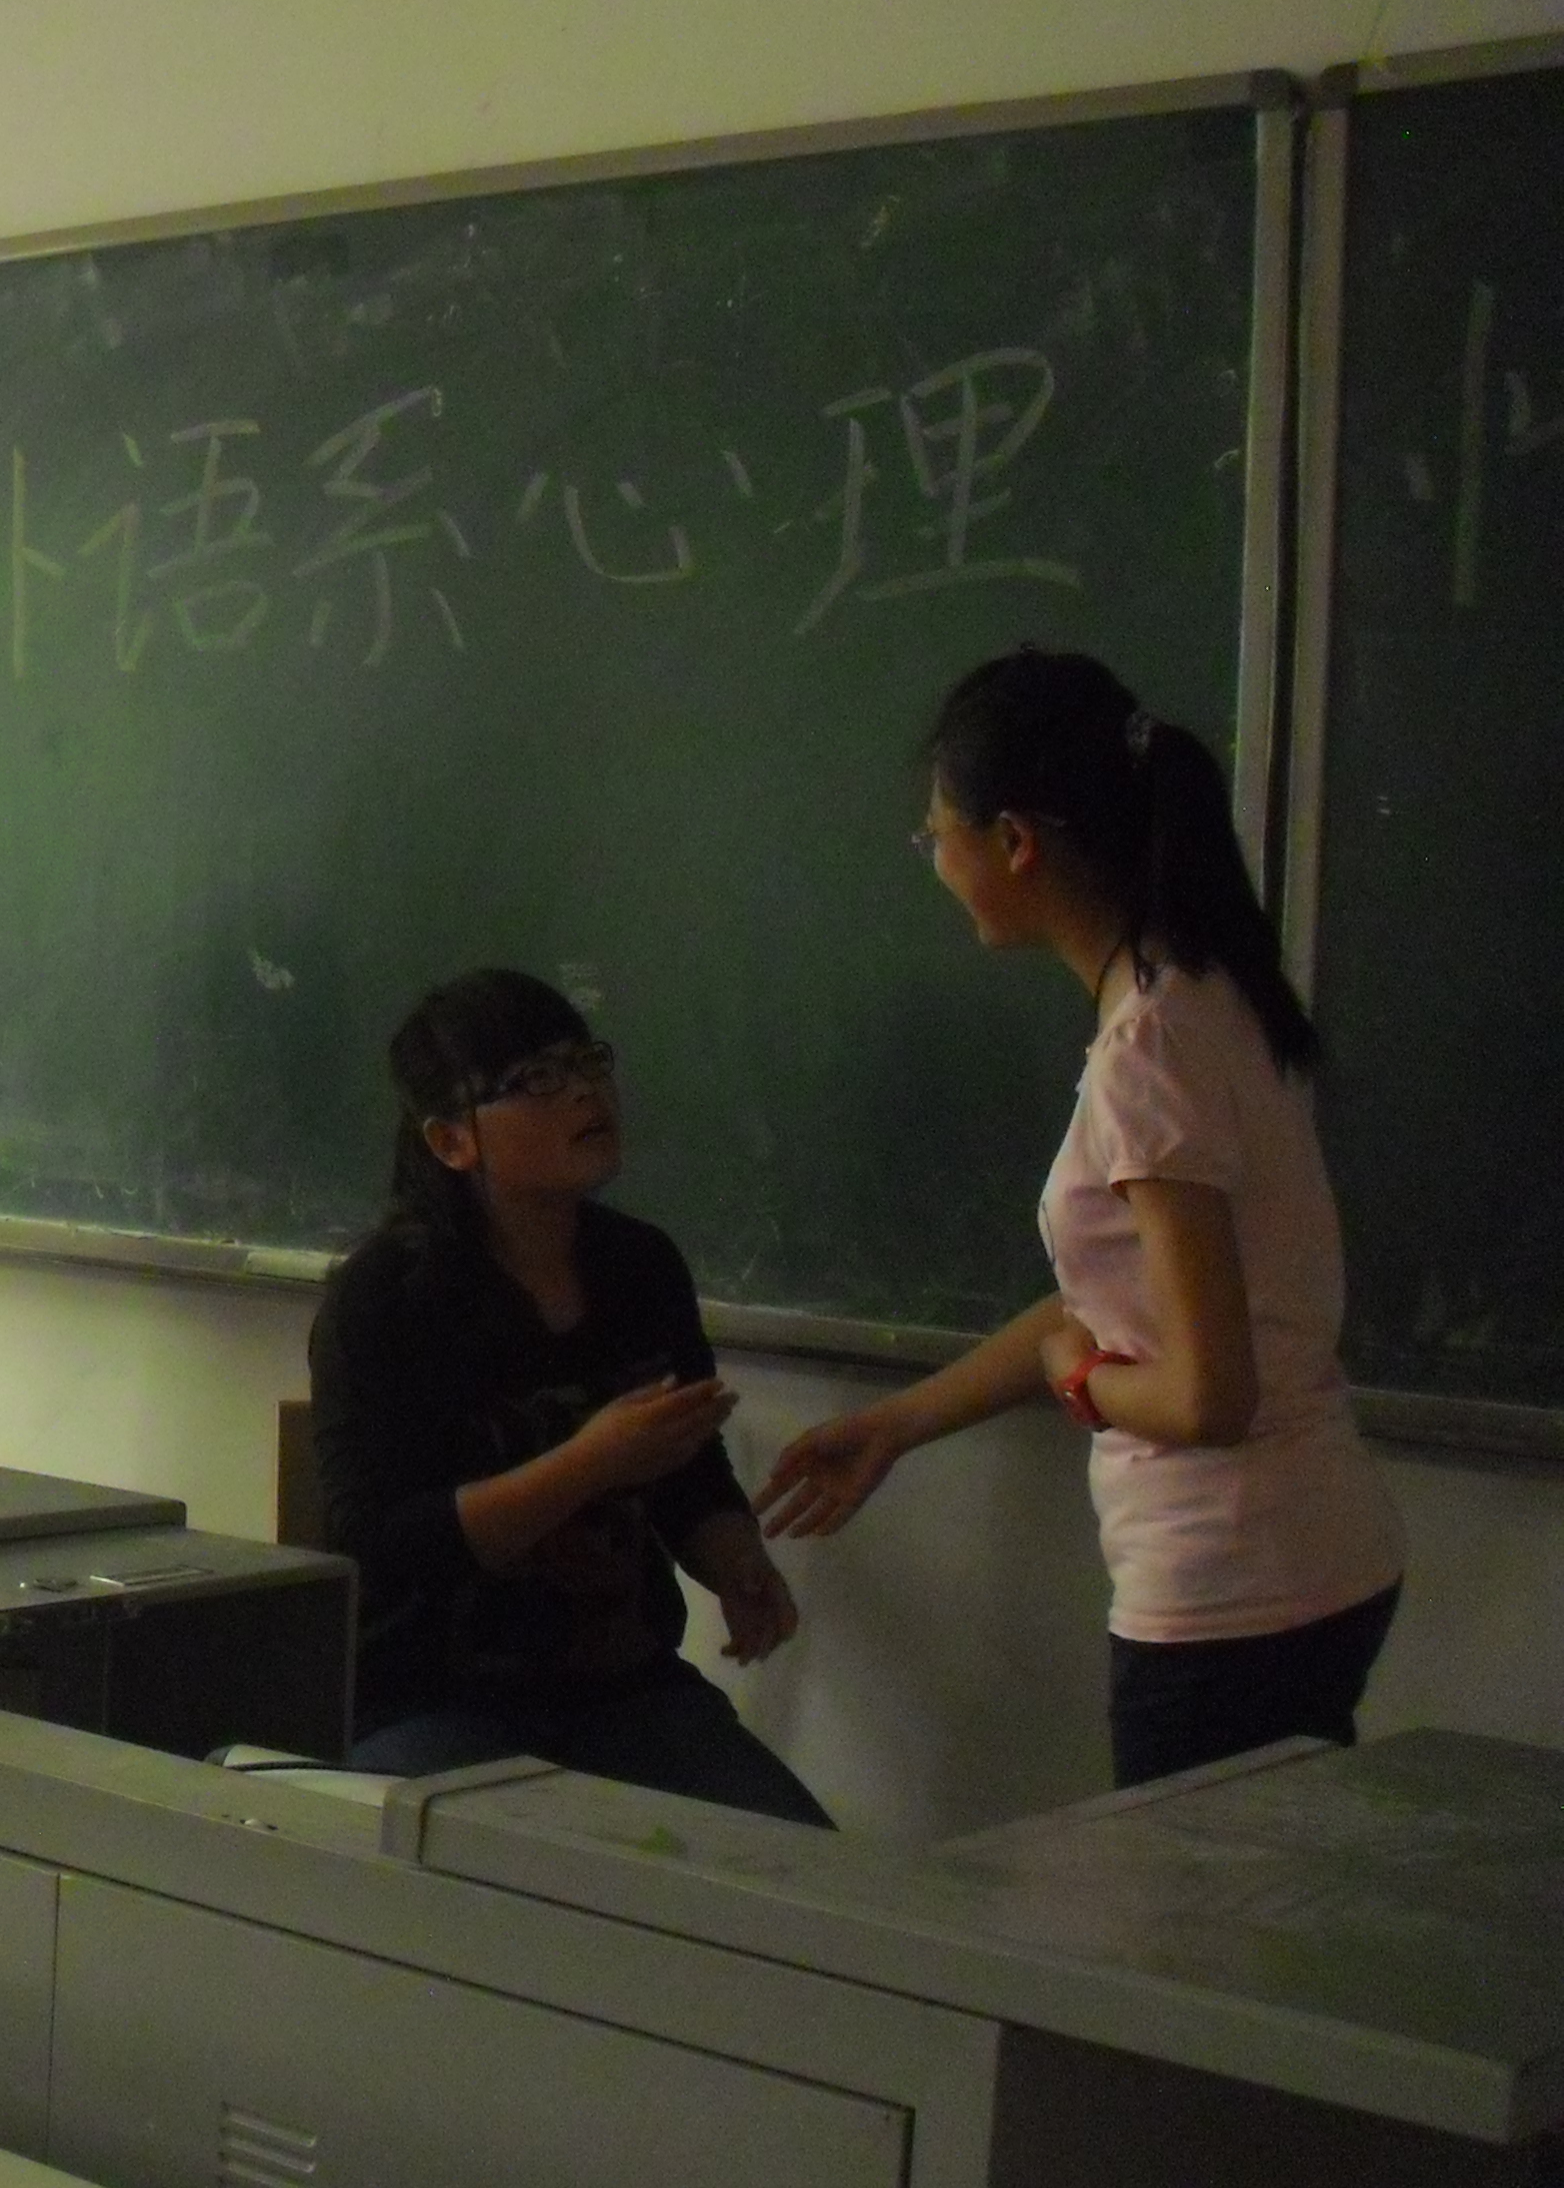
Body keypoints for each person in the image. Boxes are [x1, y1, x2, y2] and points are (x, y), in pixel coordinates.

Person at [759, 649, 1404, 1788]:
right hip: (1317, 1555)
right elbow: (1109, 1306)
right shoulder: (1204, 992)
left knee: (1186, 1897)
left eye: (937, 834)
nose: (936, 863)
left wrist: (1082, 1384)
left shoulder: (1148, 1053)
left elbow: (1206, 1395)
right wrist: (897, 1423)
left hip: (1228, 1591)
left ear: (1014, 841)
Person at [310, 968, 826, 1826]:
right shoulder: (383, 1298)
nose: (586, 1092)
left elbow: (687, 1472)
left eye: (587, 1062)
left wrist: (736, 1558)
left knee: (803, 1873)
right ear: (451, 1141)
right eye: (535, 1080)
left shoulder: (640, 1266)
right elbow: (379, 1546)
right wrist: (587, 1464)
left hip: (626, 1693)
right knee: (510, 1889)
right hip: (433, 1705)